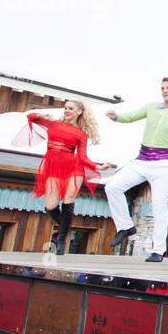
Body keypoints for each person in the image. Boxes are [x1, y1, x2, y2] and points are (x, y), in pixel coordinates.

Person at [105, 77, 168, 262]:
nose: (165, 91)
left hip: (163, 165)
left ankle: (158, 251)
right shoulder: (152, 107)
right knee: (112, 187)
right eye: (162, 88)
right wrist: (116, 117)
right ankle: (125, 226)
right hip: (141, 160)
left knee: (159, 206)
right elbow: (131, 116)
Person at [21, 101, 108, 254]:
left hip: (73, 168)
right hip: (54, 167)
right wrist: (42, 114)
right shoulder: (53, 124)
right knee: (50, 206)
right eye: (65, 108)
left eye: (71, 108)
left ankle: (61, 239)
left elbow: (83, 157)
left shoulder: (81, 134)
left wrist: (97, 166)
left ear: (79, 112)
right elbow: (30, 117)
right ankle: (64, 230)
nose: (67, 111)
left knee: (68, 201)